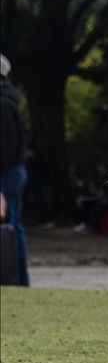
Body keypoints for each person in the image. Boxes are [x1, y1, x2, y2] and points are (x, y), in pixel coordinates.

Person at [0, 54, 30, 286]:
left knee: (10, 226)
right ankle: (16, 277)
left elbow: (6, 146)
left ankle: (15, 278)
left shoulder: (3, 103)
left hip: (7, 173)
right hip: (12, 171)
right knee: (13, 226)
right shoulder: (9, 100)